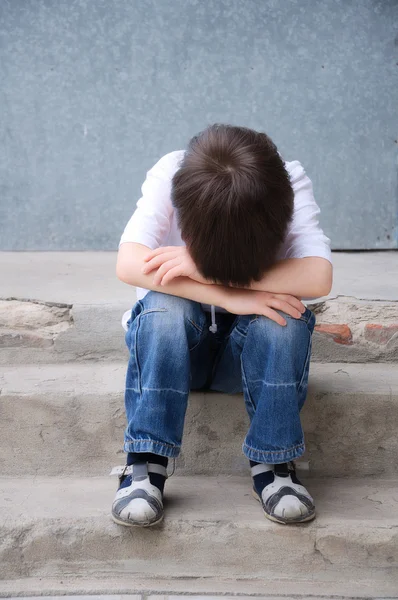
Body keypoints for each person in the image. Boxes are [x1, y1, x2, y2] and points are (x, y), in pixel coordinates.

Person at [111, 124, 332, 528]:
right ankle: (145, 460)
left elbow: (318, 277)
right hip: (182, 353)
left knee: (284, 318)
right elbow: (128, 264)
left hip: (246, 362)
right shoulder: (173, 173)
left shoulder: (288, 180)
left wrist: (206, 271)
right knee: (163, 306)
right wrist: (233, 297)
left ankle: (274, 460)